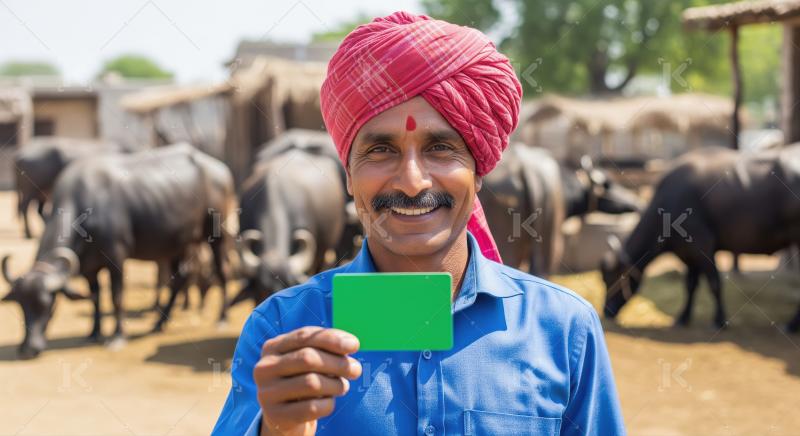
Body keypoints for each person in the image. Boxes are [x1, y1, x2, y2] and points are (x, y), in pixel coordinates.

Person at [213, 11, 624, 436]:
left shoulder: (564, 329)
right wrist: (277, 428)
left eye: (440, 148)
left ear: (478, 171)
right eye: (381, 151)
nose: (412, 182)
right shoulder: (283, 328)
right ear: (348, 175)